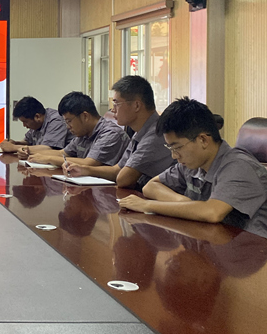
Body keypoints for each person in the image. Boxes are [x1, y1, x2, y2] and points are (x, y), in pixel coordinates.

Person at [119, 97, 267, 239]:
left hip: (251, 249)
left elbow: (212, 212)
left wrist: (148, 205)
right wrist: (183, 202)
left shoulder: (239, 166)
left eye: (177, 147)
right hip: (212, 243)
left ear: (203, 140)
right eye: (170, 148)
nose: (174, 156)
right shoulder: (193, 163)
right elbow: (151, 186)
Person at [64, 76, 174, 189]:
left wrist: (89, 169)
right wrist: (85, 170)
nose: (113, 109)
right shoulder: (140, 132)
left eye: (116, 104)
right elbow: (116, 170)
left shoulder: (156, 134)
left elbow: (123, 179)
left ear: (136, 105)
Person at [28, 91, 129, 168]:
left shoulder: (110, 133)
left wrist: (49, 159)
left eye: (69, 121)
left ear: (85, 116)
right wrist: (31, 153)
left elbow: (89, 163)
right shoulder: (83, 133)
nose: (68, 126)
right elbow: (62, 153)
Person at [0, 96, 70, 158]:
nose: (24, 125)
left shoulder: (56, 121)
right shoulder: (36, 125)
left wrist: (13, 147)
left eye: (25, 122)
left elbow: (48, 149)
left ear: (37, 117)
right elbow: (28, 142)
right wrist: (15, 143)